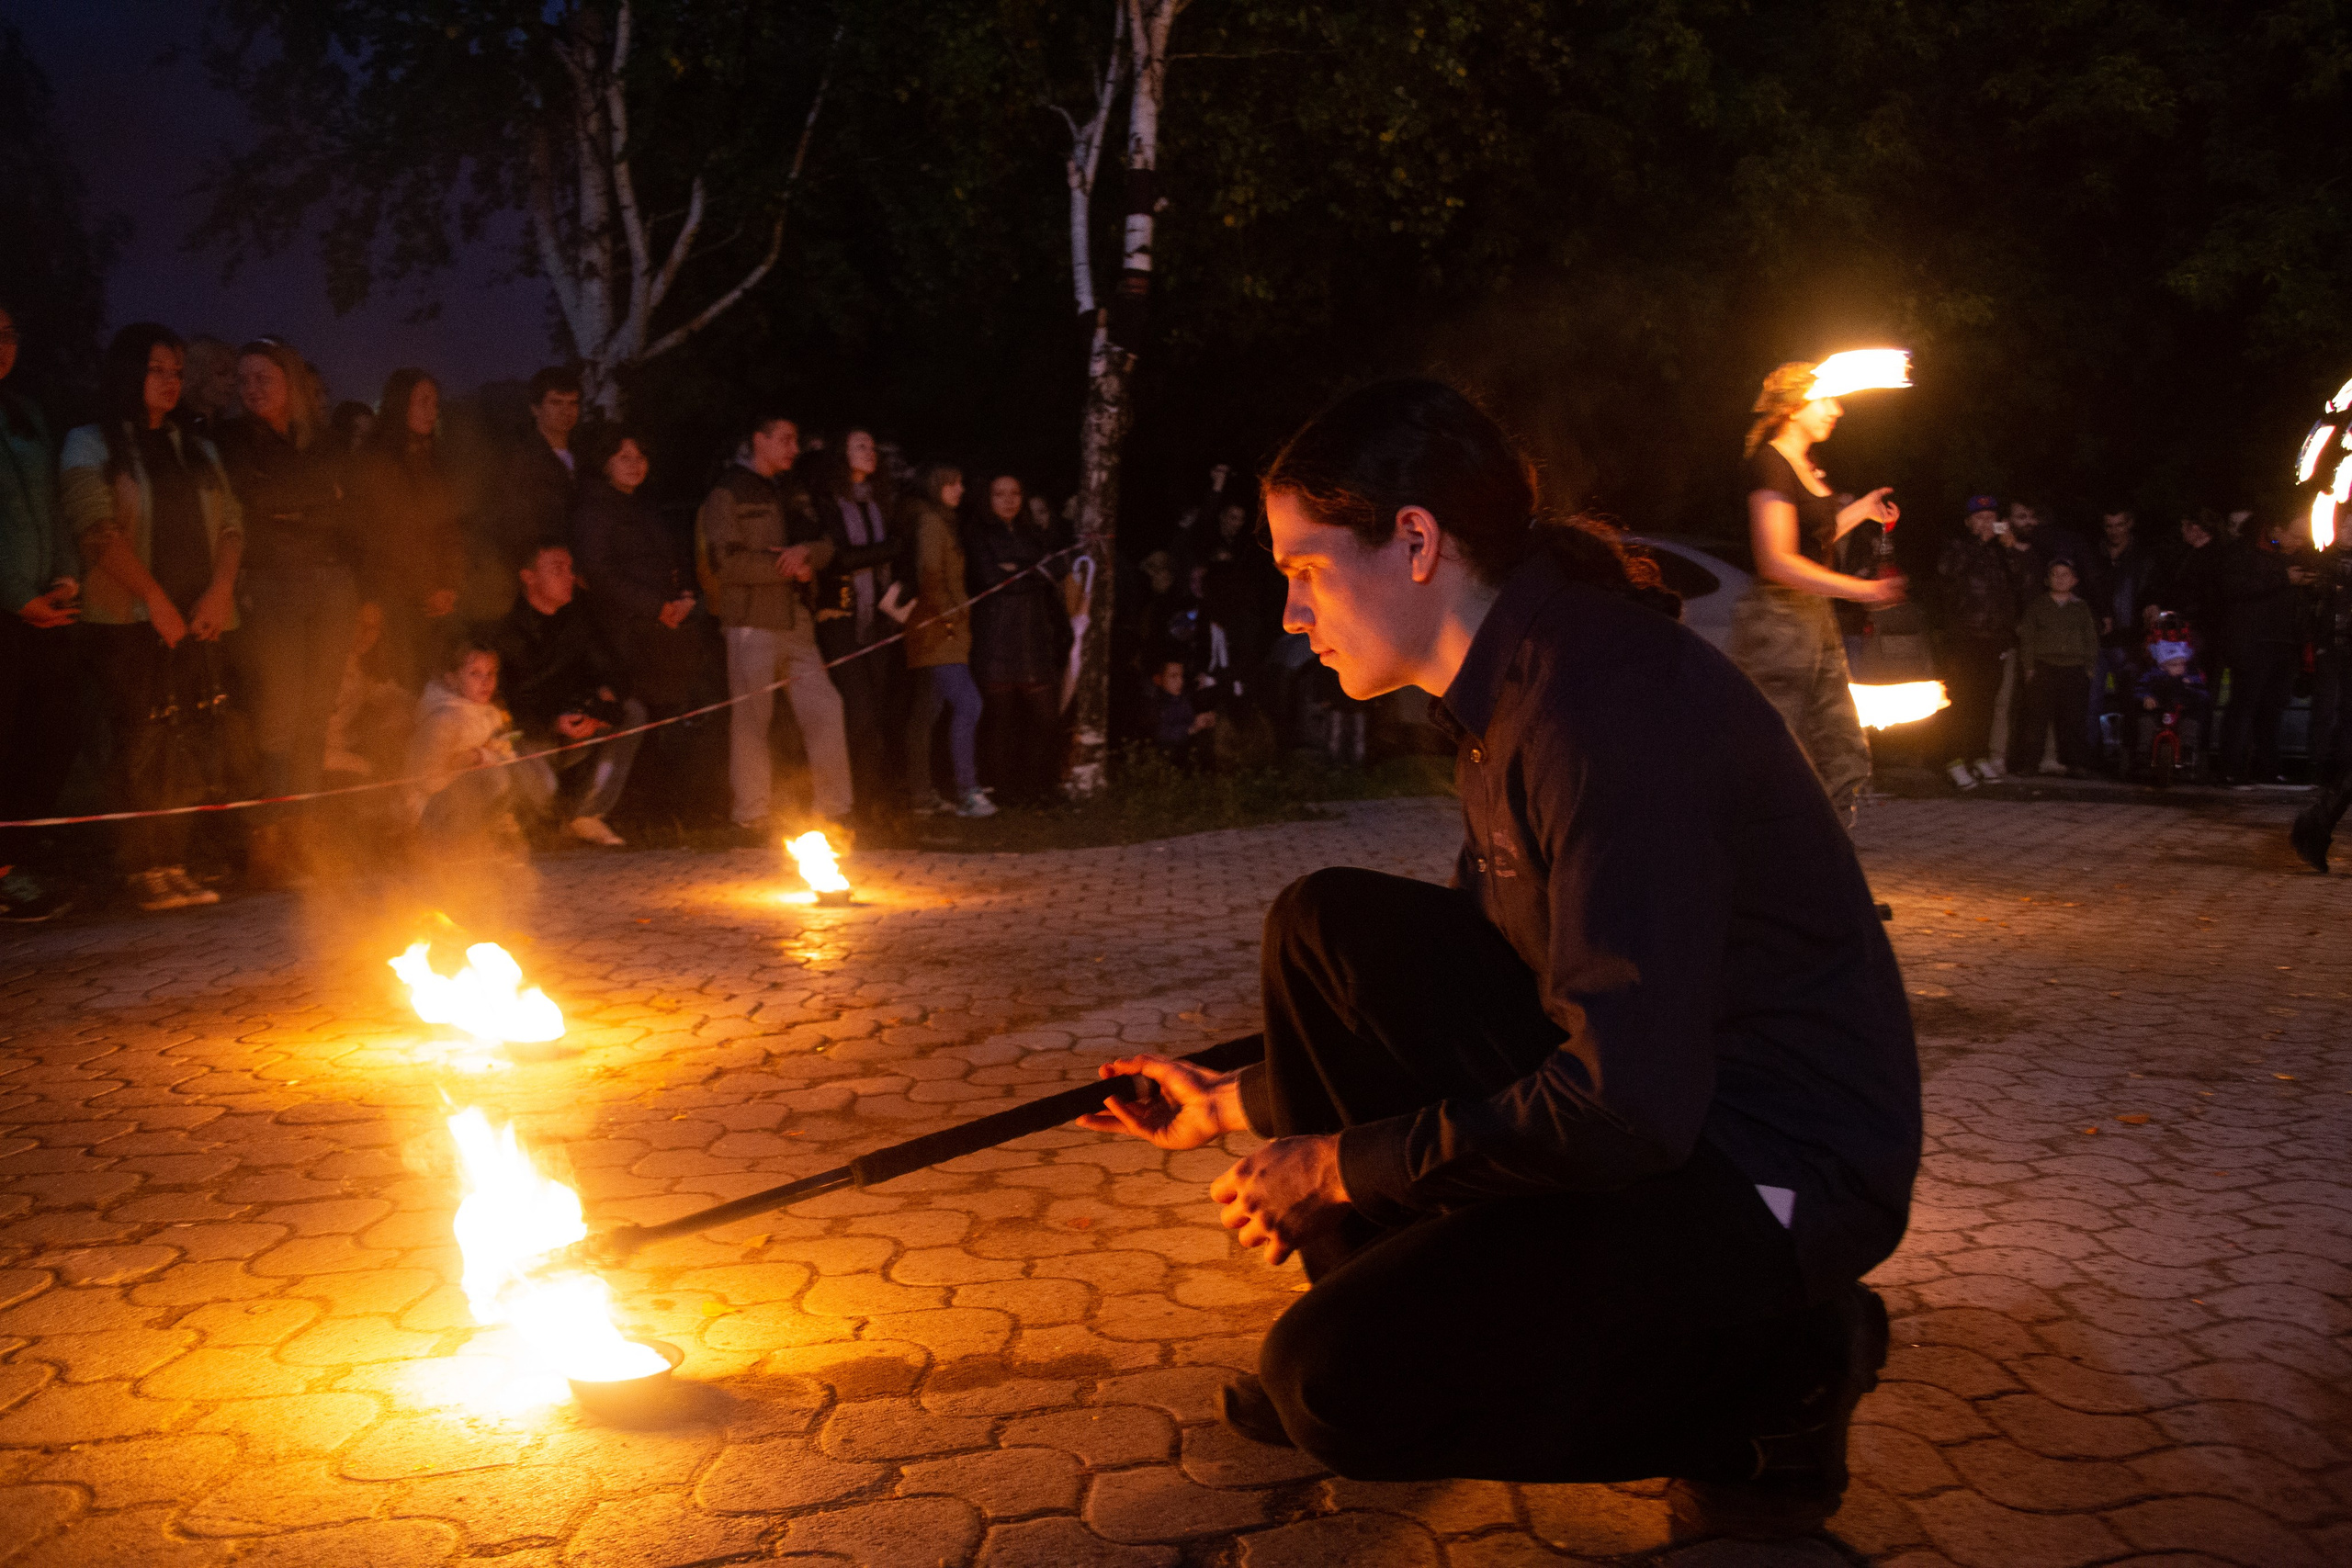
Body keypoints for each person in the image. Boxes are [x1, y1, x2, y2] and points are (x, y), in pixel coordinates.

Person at [1077, 379, 1917, 1540]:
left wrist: (1339, 1167)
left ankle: (1781, 1382)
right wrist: (1228, 1105)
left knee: (1337, 1387)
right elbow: (1507, 982)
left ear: (1415, 541)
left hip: (1768, 1166)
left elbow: (1625, 1106)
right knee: (1325, 927)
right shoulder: (1516, 690)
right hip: (1672, 1106)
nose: (1290, 612)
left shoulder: (1597, 707)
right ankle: (1404, 1305)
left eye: (1306, 569)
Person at [61, 324, 246, 912]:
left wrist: (220, 591)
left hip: (199, 614)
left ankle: (174, 860)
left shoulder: (197, 447)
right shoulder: (90, 443)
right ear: (128, 372)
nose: (170, 381)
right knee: (139, 739)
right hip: (128, 619)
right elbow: (96, 529)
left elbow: (232, 524)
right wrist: (155, 601)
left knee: (188, 734)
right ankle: (140, 866)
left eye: (177, 372)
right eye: (157, 369)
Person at [1726, 362, 1905, 822]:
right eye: (1826, 399)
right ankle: (1764, 857)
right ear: (1793, 407)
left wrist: (1861, 510)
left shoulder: (1804, 465)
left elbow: (1814, 539)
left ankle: (1827, 858)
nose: (1837, 410)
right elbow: (1777, 560)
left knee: (1840, 753)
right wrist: (1863, 591)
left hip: (1813, 622)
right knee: (1778, 753)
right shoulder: (1770, 463)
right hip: (1778, 628)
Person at [214, 336, 358, 882]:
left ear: (290, 383)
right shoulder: (232, 441)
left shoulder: (322, 440)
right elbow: (255, 501)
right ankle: (269, 839)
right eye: (244, 379)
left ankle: (307, 833)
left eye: (264, 379)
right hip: (272, 584)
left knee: (315, 714)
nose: (251, 389)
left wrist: (299, 504)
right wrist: (317, 499)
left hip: (331, 584)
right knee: (277, 711)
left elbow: (349, 507)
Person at [697, 413, 853, 840]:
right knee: (752, 719)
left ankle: (835, 808)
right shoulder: (727, 492)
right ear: (759, 440)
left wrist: (806, 555)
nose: (794, 448)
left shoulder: (791, 489)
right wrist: (785, 567)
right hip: (751, 622)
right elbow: (725, 563)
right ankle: (751, 812)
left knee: (826, 707)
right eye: (785, 439)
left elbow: (826, 543)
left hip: (796, 620)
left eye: (795, 440)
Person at [0, 300, 82, 921]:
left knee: (52, 732)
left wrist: (65, 573)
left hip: (44, 607)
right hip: (7, 608)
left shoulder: (25, 412)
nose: (1, 345)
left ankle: (14, 858)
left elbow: (53, 500)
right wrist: (14, 594)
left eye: (7, 333)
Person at [486, 543, 642, 845]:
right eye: (558, 569)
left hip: (573, 731)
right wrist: (553, 722)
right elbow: (503, 706)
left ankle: (586, 815)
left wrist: (604, 699)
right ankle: (524, 823)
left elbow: (613, 668)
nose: (569, 577)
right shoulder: (506, 631)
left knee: (632, 712)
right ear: (529, 577)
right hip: (526, 738)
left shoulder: (578, 619)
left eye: (570, 569)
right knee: (542, 791)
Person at [808, 428, 906, 813]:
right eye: (860, 446)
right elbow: (839, 558)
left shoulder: (882, 502)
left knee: (878, 708)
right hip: (841, 615)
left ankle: (874, 797)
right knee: (858, 709)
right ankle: (852, 798)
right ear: (842, 453)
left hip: (879, 615)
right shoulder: (828, 501)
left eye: (872, 446)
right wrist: (888, 550)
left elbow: (896, 554)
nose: (870, 452)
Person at [572, 425, 700, 716]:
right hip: (627, 632)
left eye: (640, 457)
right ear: (605, 463)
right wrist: (655, 607)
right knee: (643, 711)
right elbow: (598, 572)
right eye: (624, 457)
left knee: (671, 710)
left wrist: (686, 594)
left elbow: (677, 554)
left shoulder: (646, 505)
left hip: (666, 624)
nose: (635, 464)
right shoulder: (593, 511)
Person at [352, 368, 465, 691]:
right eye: (422, 402)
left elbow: (450, 526)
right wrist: (427, 586)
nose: (431, 411)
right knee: (402, 685)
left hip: (437, 597)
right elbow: (389, 535)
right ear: (400, 404)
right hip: (395, 595)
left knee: (435, 683)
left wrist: (450, 583)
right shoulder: (377, 461)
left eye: (435, 403)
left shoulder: (435, 461)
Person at [967, 473, 1070, 806]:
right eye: (1000, 494)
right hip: (997, 636)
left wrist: (1020, 569)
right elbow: (992, 579)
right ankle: (1002, 790)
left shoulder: (1032, 533)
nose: (1009, 500)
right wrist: (1032, 571)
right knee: (1000, 720)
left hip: (1034, 637)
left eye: (1015, 493)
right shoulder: (979, 534)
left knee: (1046, 718)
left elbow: (1056, 567)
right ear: (988, 498)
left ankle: (1039, 786)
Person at [897, 462, 991, 818]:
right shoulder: (931, 522)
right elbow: (930, 574)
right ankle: (968, 791)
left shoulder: (941, 521)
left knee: (927, 712)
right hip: (938, 632)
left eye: (961, 482)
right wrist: (951, 614)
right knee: (969, 704)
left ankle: (921, 795)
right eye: (952, 483)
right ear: (935, 485)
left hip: (943, 632)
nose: (960, 489)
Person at [2213, 512, 2312, 787]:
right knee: (2243, 706)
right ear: (2277, 529)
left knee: (2273, 708)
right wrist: (2282, 578)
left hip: (2284, 643)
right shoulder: (2243, 552)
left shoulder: (2300, 556)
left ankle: (2268, 769)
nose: (2300, 542)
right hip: (2252, 642)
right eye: (2295, 536)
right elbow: (2232, 587)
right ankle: (2230, 769)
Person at [1930, 495, 2017, 788]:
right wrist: (1980, 543)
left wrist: (2011, 549)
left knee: (1986, 702)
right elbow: (1947, 573)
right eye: (1980, 518)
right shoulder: (1957, 546)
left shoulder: (2003, 550)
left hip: (1996, 638)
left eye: (1992, 517)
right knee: (1959, 701)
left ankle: (1979, 756)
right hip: (1963, 637)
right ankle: (1953, 760)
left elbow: (2024, 582)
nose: (1987, 523)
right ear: (1969, 522)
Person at [404, 641, 526, 850]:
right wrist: (465, 762)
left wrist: (486, 754)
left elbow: (499, 752)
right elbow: (425, 781)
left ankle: (485, 837)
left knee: (522, 773)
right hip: (426, 809)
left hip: (458, 803)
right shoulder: (444, 719)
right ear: (452, 679)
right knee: (495, 779)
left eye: (491, 673)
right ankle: (442, 844)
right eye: (475, 674)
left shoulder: (487, 714)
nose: (486, 681)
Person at [2007, 558, 2101, 778]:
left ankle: (2077, 764)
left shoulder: (2081, 607)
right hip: (2044, 667)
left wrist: (2089, 667)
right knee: (2035, 719)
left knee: (2074, 720)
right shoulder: (2038, 605)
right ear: (2047, 579)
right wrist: (2029, 667)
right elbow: (2028, 637)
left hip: (2075, 668)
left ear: (2074, 580)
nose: (2060, 579)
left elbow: (2091, 638)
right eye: (2055, 574)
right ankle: (2029, 763)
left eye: (2065, 574)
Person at [2078, 507, 2157, 766]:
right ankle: (2090, 756)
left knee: (2132, 700)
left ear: (2129, 524)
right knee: (2091, 701)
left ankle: (2130, 756)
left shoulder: (2143, 557)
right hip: (2098, 639)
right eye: (2109, 526)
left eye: (2119, 525)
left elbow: (2151, 590)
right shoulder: (2094, 555)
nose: (2114, 531)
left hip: (2129, 641)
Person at [496, 367, 583, 577]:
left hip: (583, 567)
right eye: (556, 403)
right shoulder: (519, 460)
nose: (566, 411)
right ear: (535, 409)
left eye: (573, 403)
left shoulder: (587, 456)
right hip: (545, 573)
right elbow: (514, 524)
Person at [1144, 656, 1217, 766]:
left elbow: (1188, 721)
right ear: (1159, 679)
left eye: (1181, 676)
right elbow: (1162, 734)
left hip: (1187, 757)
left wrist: (1205, 721)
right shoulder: (1155, 704)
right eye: (1173, 676)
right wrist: (1192, 728)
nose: (1180, 681)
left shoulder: (1182, 698)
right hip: (1166, 762)